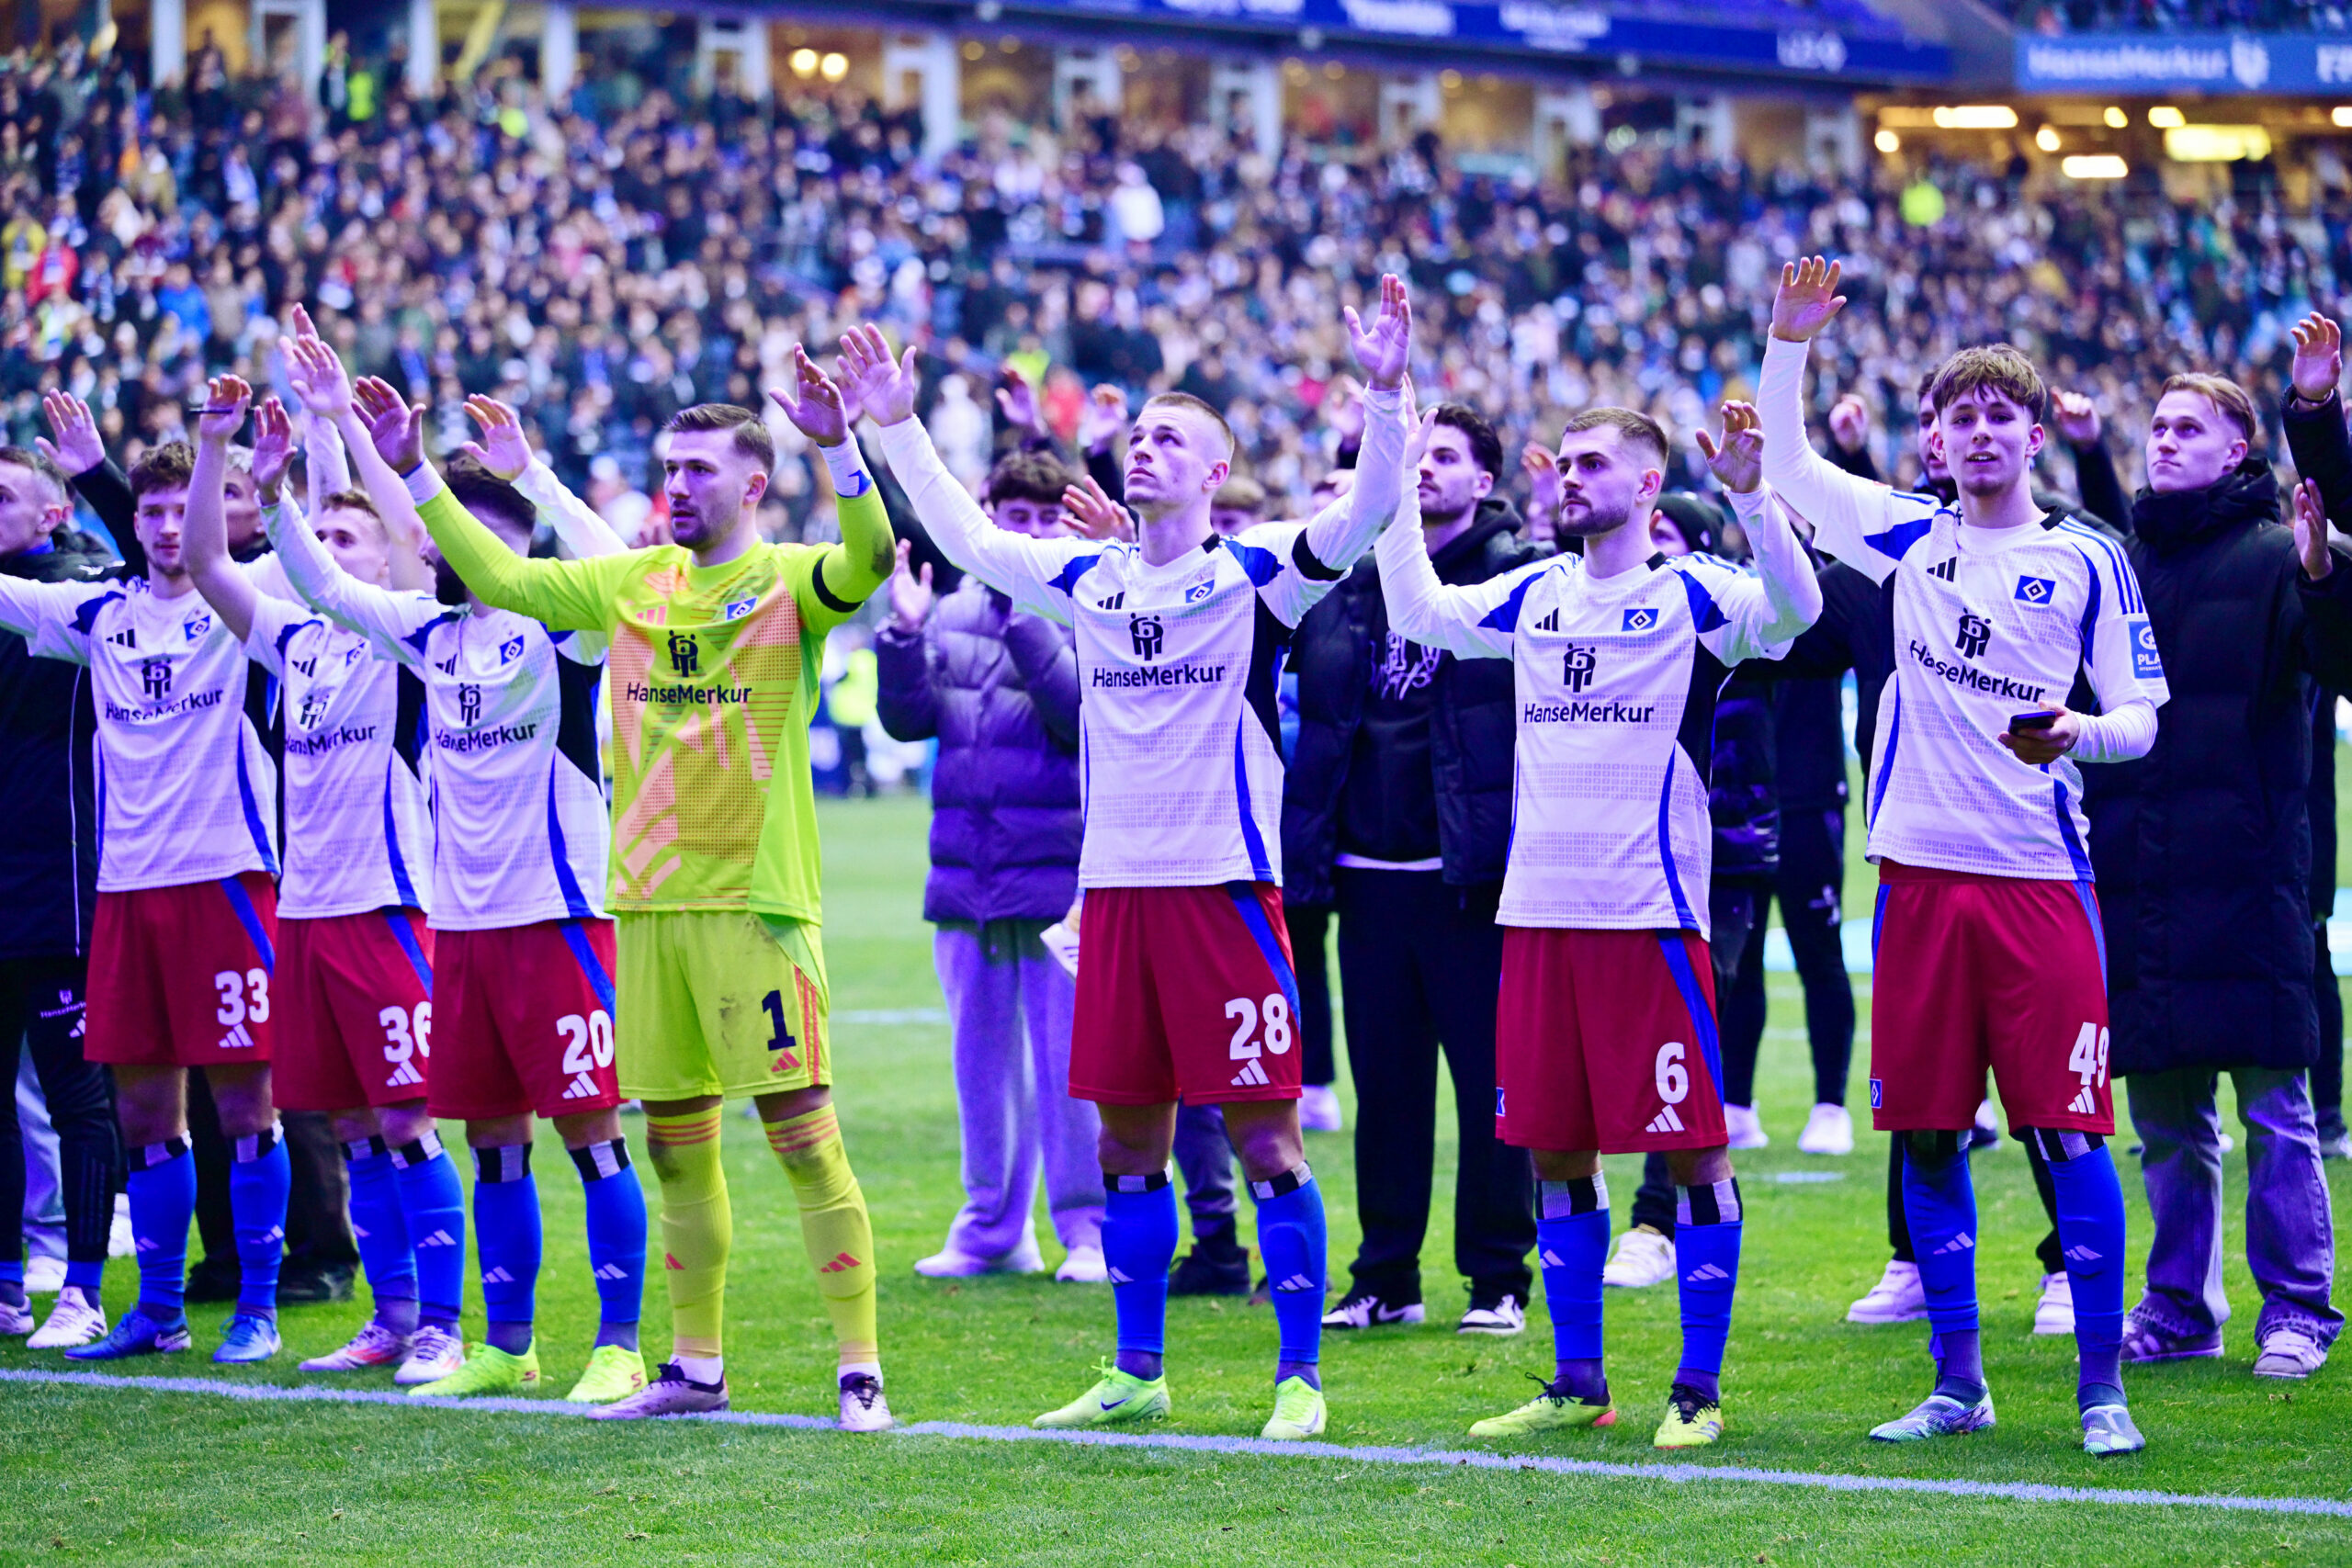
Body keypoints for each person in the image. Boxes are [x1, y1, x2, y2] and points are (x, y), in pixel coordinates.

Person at [864, 276, 1414, 1442]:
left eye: (1174, 438)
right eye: (1141, 435)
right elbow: (967, 533)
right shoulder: (1090, 580)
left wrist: (1383, 391)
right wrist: (897, 423)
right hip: (1109, 900)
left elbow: (1364, 514)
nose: (1147, 449)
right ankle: (1137, 1370)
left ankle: (1300, 1378)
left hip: (1223, 894)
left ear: (1216, 472)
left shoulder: (1255, 572)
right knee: (1127, 1145)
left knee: (1267, 1139)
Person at [406, 349, 897, 1428]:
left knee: (805, 1139)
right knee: (677, 1151)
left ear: (751, 484)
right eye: (668, 466)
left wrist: (839, 443)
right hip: (646, 908)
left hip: (755, 911)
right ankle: (695, 1369)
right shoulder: (631, 585)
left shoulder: (788, 582)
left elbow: (871, 558)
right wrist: (417, 478)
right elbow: (500, 580)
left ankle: (859, 1370)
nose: (676, 485)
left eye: (699, 469)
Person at [1761, 255, 2168, 1457]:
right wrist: (1790, 344)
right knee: (1929, 1131)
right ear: (1932, 436)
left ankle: (2103, 1388)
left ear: (2035, 434)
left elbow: (2142, 713)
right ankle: (1958, 1381)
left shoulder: (2088, 557)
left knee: (2070, 1130)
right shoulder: (1903, 538)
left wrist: (2078, 733)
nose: (1980, 431)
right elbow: (1786, 472)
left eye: (2002, 413)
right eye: (1959, 414)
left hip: (2042, 885)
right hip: (1917, 880)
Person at [1382, 400, 1817, 1449]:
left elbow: (1796, 612)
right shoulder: (1534, 591)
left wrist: (1755, 496)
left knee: (1694, 1155)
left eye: (1591, 465)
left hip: (1649, 918)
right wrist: (1391, 483)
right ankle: (1580, 1379)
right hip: (1537, 915)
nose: (1567, 479)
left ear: (1647, 485)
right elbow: (1416, 614)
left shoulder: (1691, 596)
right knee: (1553, 1152)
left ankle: (1698, 1388)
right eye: (1563, 464)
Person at [266, 339, 648, 1404]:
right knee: (493, 1147)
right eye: (450, 536)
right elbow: (322, 584)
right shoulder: (429, 638)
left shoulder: (560, 635)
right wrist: (310, 461)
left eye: (480, 537)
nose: (451, 550)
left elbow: (616, 562)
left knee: (594, 1142)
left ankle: (617, 1342)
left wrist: (535, 478)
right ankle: (509, 1342)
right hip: (463, 932)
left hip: (561, 920)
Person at [176, 378, 455, 1382]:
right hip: (304, 910)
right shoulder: (295, 646)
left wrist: (345, 433)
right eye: (321, 543)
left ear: (392, 556)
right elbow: (209, 560)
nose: (327, 557)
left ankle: (445, 1325)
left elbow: (398, 535)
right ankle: (390, 1315)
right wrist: (223, 455)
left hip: (387, 904)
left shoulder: (409, 637)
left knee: (405, 1119)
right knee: (345, 1125)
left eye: (350, 542)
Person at [2092, 323, 2352, 1380]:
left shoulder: (2276, 555)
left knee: (2274, 1112)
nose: (2163, 440)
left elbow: (2341, 664)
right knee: (2163, 1123)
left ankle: (2296, 1307)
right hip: (2138, 874)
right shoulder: (2116, 560)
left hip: (2245, 877)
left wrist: (2320, 575)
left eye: (2188, 427)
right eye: (2156, 425)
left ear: (2239, 451)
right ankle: (2178, 1305)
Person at [0, 426, 289, 1365]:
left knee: (247, 1106)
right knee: (142, 1116)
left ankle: (257, 1306)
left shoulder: (250, 605)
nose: (168, 527)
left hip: (228, 884)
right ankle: (157, 1311)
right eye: (153, 512)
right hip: (125, 895)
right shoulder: (99, 616)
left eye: (181, 510)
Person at [1283, 401, 1541, 1337]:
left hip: (1469, 875)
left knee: (1489, 1087)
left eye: (1446, 457)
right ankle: (1386, 1274)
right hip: (1364, 872)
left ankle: (1498, 1278)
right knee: (1384, 1092)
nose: (1423, 469)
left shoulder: (1520, 580)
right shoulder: (1344, 585)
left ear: (1485, 480)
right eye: (1412, 455)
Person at [875, 448, 1103, 1283]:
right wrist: (902, 635)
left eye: (1049, 520)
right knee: (980, 1069)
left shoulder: (1089, 609)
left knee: (1072, 1068)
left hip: (1058, 878)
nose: (1031, 533)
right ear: (987, 515)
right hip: (966, 875)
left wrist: (1027, 617)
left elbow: (1078, 719)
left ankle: (1088, 1228)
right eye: (1017, 516)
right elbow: (907, 722)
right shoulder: (949, 612)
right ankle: (991, 1226)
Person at [0, 444, 123, 1350]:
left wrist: (92, 473)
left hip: (61, 884)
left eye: (5, 496)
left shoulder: (86, 595)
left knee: (79, 1097)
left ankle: (83, 1285)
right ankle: (7, 1285)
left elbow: (165, 559)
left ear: (49, 515)